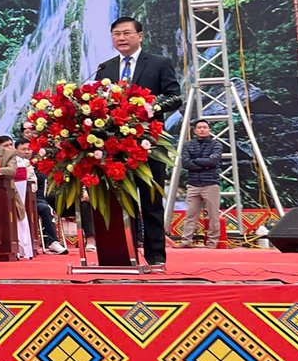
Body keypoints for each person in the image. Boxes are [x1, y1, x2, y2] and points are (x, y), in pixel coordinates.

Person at [93, 16, 183, 264]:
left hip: (149, 144)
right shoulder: (105, 68)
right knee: (122, 201)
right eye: (116, 34)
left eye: (126, 33)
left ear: (140, 36)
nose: (121, 38)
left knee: (151, 201)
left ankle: (156, 258)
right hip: (115, 146)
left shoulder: (159, 63)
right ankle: (125, 255)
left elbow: (175, 97)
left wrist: (152, 106)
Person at [179, 119, 224, 248]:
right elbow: (186, 164)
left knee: (213, 215)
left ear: (209, 130)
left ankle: (212, 242)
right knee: (190, 215)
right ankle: (186, 241)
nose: (202, 129)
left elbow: (214, 161)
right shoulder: (188, 145)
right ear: (195, 131)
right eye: (199, 127)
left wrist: (196, 161)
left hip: (210, 184)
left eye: (205, 127)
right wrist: (205, 164)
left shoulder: (216, 144)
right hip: (193, 185)